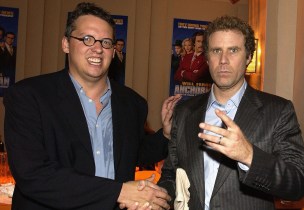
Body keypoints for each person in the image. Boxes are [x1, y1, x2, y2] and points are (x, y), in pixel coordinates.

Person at [4, 2, 182, 210]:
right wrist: (120, 192)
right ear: (66, 44)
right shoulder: (29, 96)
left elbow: (132, 153)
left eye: (106, 42)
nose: (98, 48)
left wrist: (166, 135)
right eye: (87, 39)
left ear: (113, 51)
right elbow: (33, 174)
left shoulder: (133, 103)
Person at [158, 15, 304, 210]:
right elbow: (171, 174)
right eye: (216, 51)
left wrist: (249, 156)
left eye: (233, 50)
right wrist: (156, 198)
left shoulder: (278, 111)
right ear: (207, 57)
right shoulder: (185, 111)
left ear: (248, 57)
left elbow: (298, 183)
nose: (223, 60)